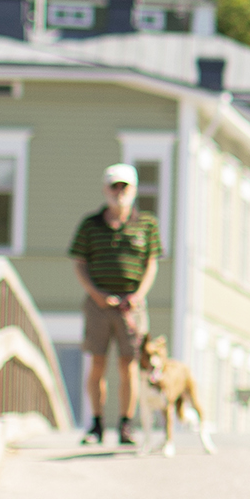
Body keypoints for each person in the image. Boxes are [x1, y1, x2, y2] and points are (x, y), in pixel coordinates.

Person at [69, 162, 161, 447]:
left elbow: (151, 263)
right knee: (97, 362)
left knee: (129, 364)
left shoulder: (147, 224)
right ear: (105, 189)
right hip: (99, 303)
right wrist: (95, 293)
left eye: (124, 187)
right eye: (114, 186)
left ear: (133, 191)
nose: (119, 192)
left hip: (131, 305)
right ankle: (96, 424)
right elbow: (79, 262)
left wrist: (138, 295)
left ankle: (125, 424)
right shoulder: (90, 224)